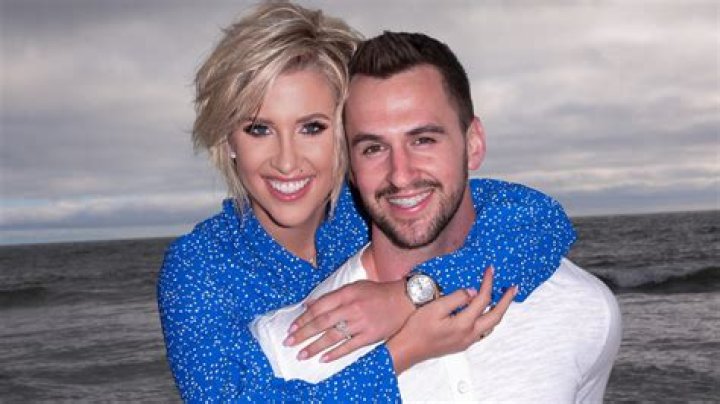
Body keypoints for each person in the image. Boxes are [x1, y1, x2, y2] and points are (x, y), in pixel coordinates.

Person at [157, 2, 576, 402]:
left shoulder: (372, 208)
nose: (286, 161)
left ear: (345, 132)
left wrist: (407, 296)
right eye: (259, 129)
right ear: (228, 139)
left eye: (312, 128)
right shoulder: (200, 267)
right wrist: (404, 351)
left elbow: (539, 221)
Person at [253, 31, 622, 402]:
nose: (400, 175)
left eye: (423, 140)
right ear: (349, 166)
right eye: (373, 148)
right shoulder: (286, 352)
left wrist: (409, 296)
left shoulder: (585, 310)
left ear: (473, 144)